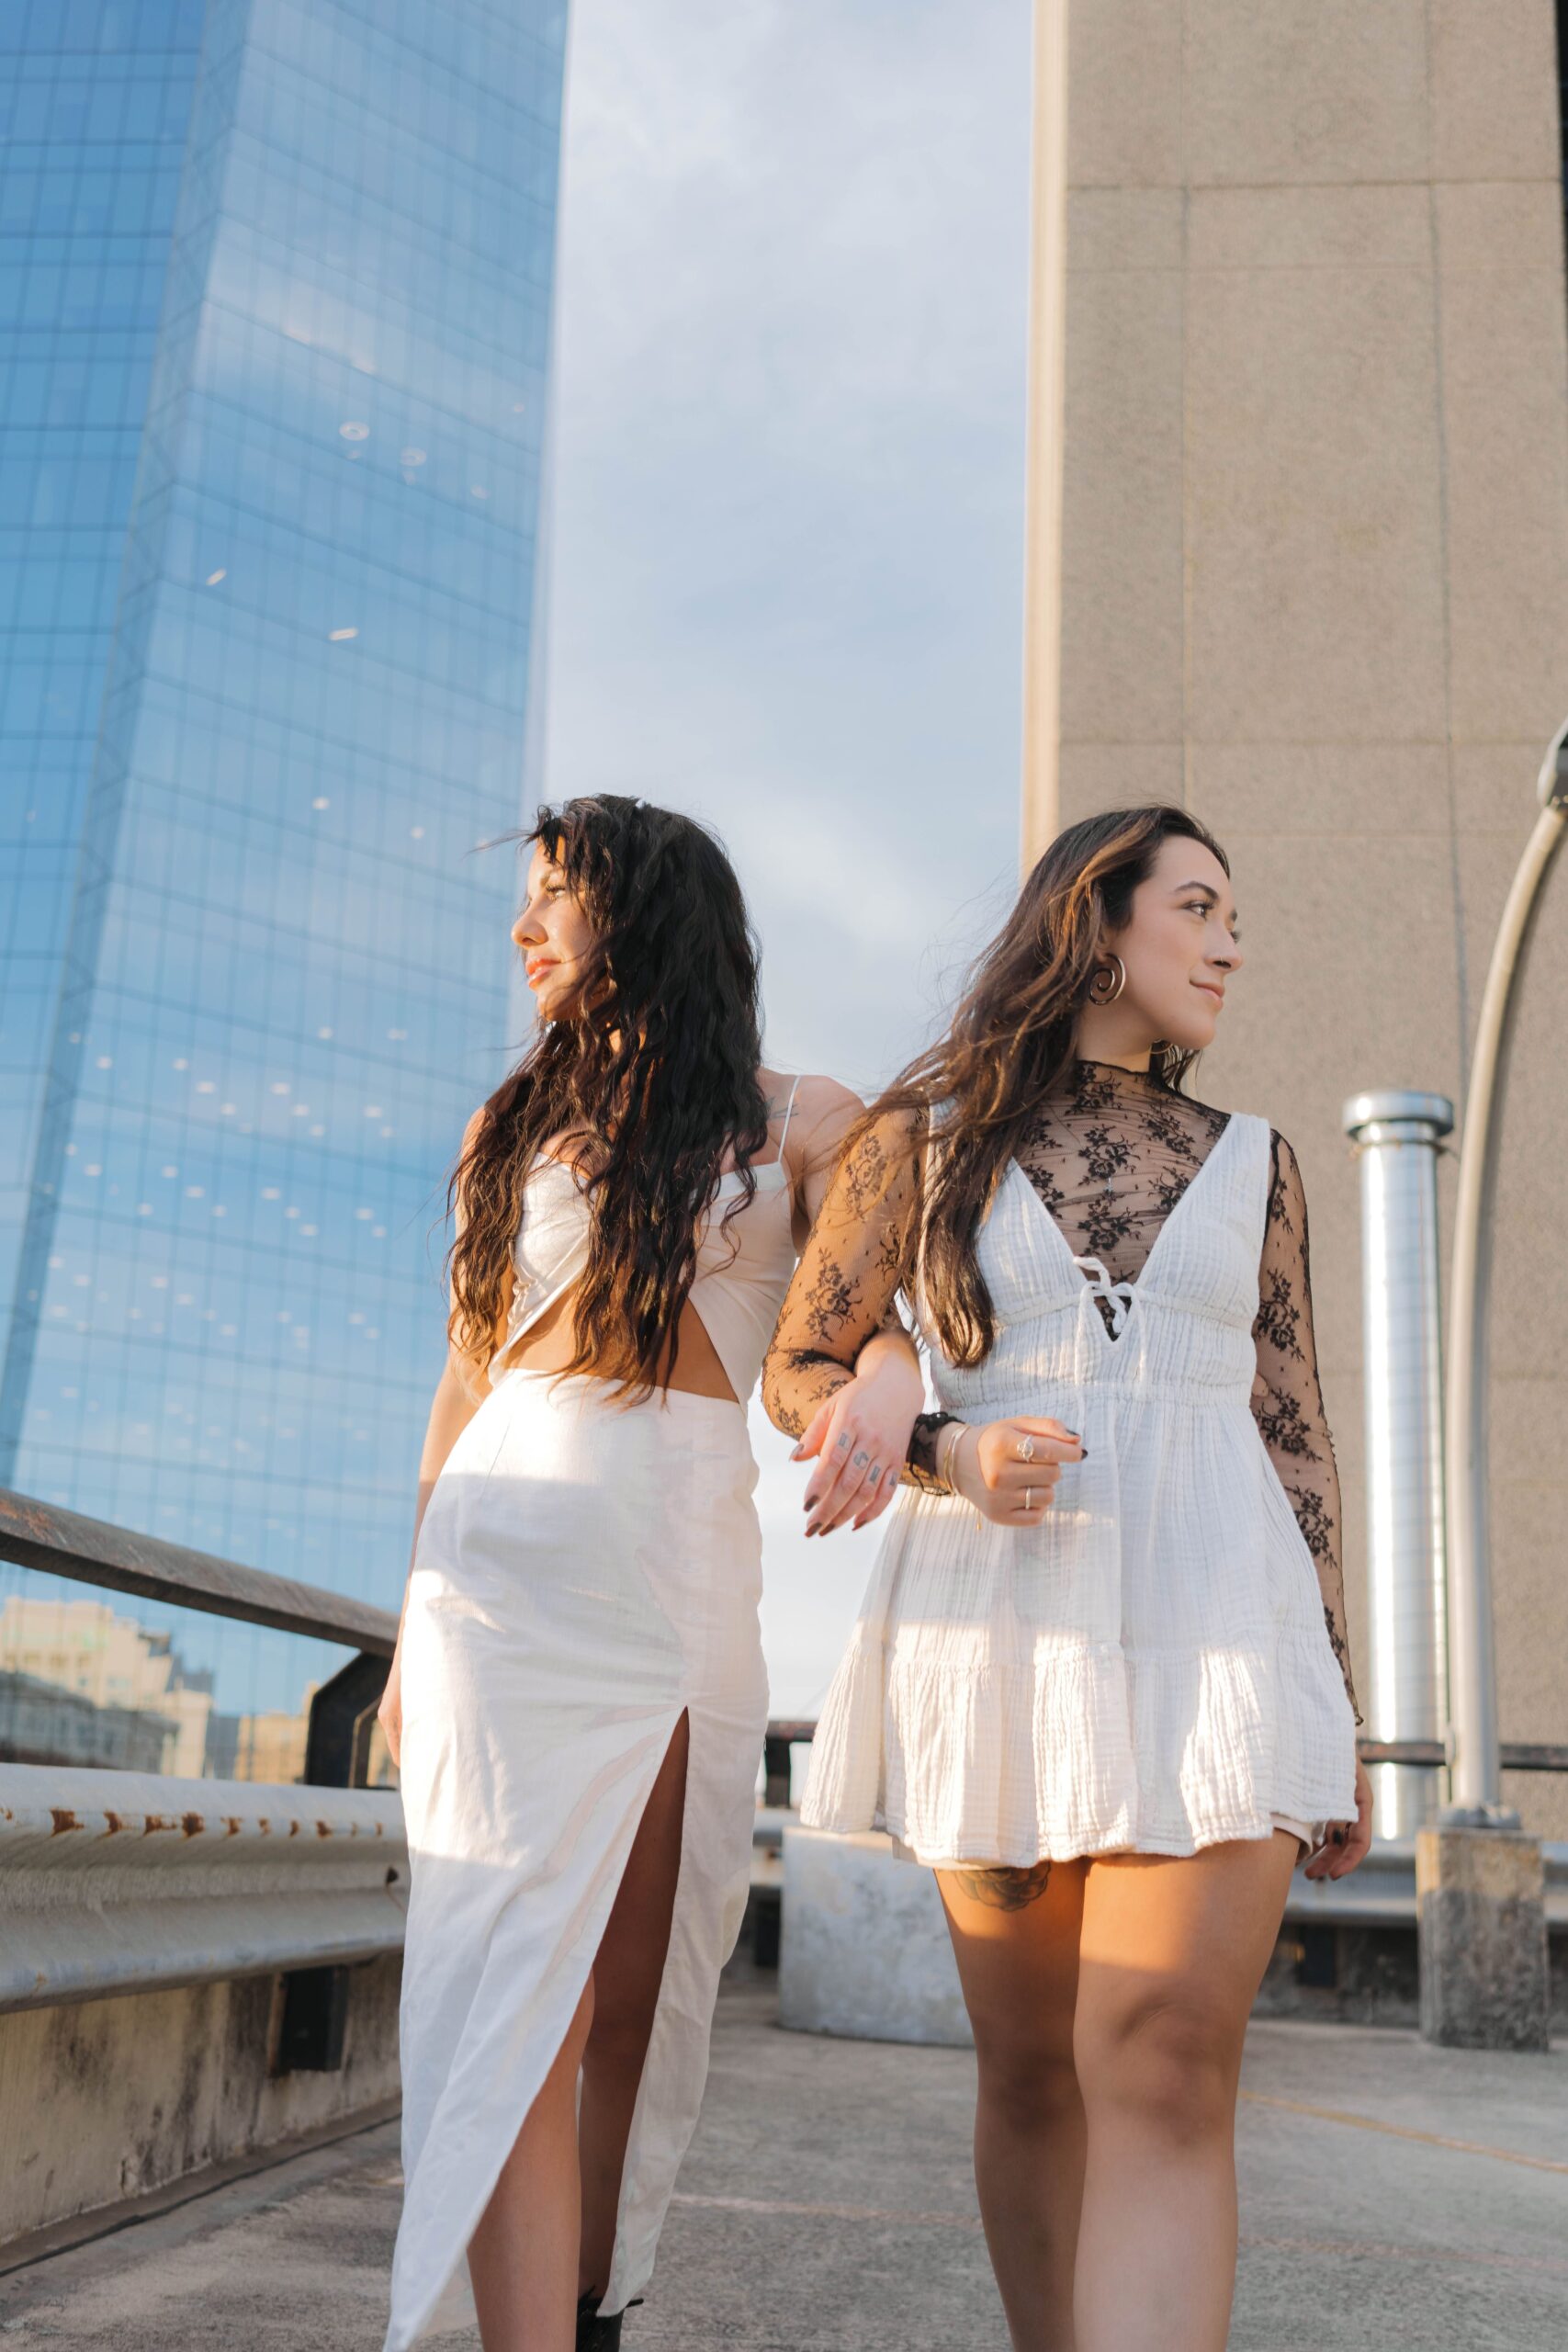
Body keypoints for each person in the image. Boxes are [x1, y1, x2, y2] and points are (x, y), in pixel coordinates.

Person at [761, 802, 1372, 2352]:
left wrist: (1339, 1698)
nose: (1232, 941)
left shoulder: (1262, 1164)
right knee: (1033, 2072)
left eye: (1235, 915)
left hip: (1223, 1611)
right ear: (1097, 924)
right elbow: (800, 1363)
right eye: (1200, 906)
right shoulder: (924, 1134)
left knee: (1159, 2053)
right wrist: (942, 1450)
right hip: (998, 1619)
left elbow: (1295, 1435)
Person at [377, 796, 911, 2352]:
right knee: (510, 2001)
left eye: (556, 898)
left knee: (626, 1998)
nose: (526, 929)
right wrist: (412, 1618)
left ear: (649, 916)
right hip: (495, 1574)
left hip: (677, 1558)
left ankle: (598, 2309)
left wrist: (886, 1371)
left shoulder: (804, 1116)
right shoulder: (510, 1128)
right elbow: (463, 1383)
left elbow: (864, 1299)